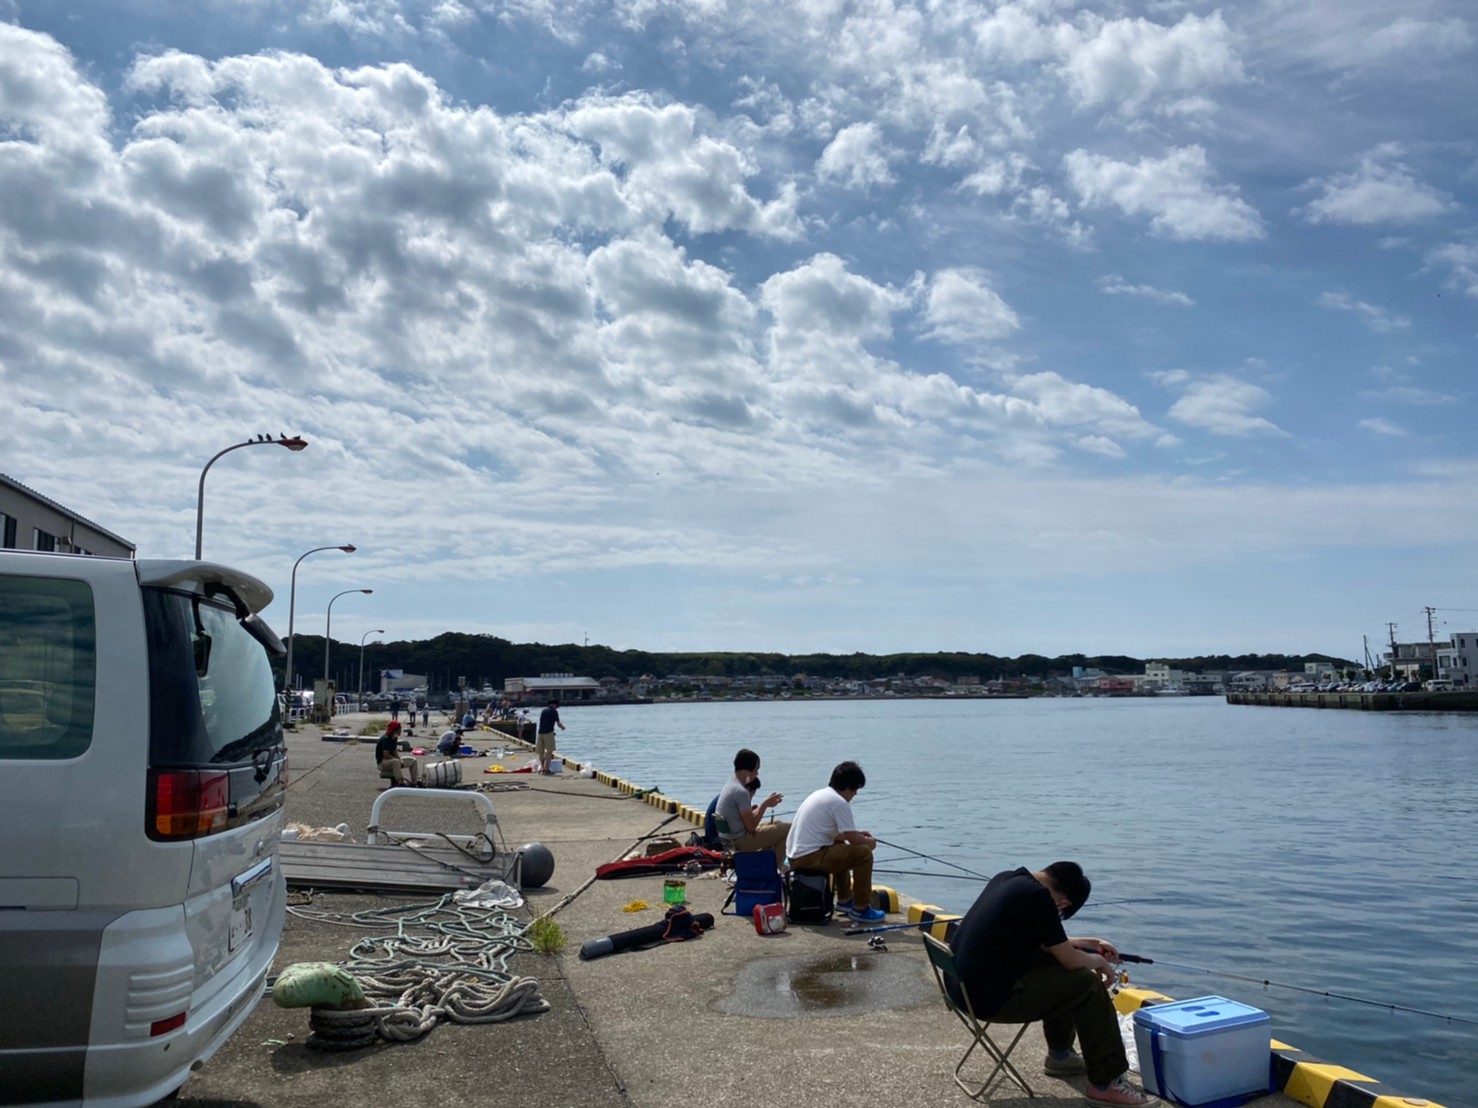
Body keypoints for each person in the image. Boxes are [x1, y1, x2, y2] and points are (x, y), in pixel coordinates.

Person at [948, 862, 1157, 1108]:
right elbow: (1069, 959)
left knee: (1060, 971)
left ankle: (1061, 1056)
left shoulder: (1006, 879)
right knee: (1085, 984)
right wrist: (1099, 961)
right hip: (990, 1000)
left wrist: (1092, 943)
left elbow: (1049, 943)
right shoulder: (1038, 898)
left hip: (960, 989)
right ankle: (1106, 1084)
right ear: (1065, 903)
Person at [784, 761, 884, 923]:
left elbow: (837, 835)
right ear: (846, 786)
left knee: (840, 847)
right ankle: (861, 908)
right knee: (863, 854)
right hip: (809, 857)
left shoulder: (821, 794)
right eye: (855, 789)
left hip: (795, 855)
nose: (855, 794)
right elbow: (854, 841)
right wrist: (869, 842)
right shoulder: (839, 802)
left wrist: (858, 835)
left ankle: (845, 900)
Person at [714, 747, 789, 865]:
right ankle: (775, 869)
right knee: (790, 828)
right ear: (747, 771)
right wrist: (764, 805)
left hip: (732, 839)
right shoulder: (741, 792)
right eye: (756, 770)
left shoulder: (731, 784)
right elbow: (751, 827)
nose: (757, 774)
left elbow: (745, 820)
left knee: (778, 824)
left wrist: (764, 805)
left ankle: (768, 866)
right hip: (741, 841)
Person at [374, 720, 421, 786]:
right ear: (395, 730)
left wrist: (400, 760)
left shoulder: (394, 738)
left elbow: (394, 751)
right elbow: (386, 755)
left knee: (413, 760)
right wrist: (398, 760)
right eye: (399, 729)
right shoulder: (386, 739)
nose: (400, 730)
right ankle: (400, 782)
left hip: (392, 760)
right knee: (395, 762)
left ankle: (415, 781)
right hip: (383, 762)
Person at [536, 699, 565, 774]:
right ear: (555, 704)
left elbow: (543, 722)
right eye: (557, 706)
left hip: (540, 733)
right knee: (549, 752)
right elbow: (558, 723)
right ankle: (546, 769)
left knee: (541, 752)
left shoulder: (543, 711)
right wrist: (562, 727)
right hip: (548, 733)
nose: (557, 708)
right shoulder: (554, 711)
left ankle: (542, 768)